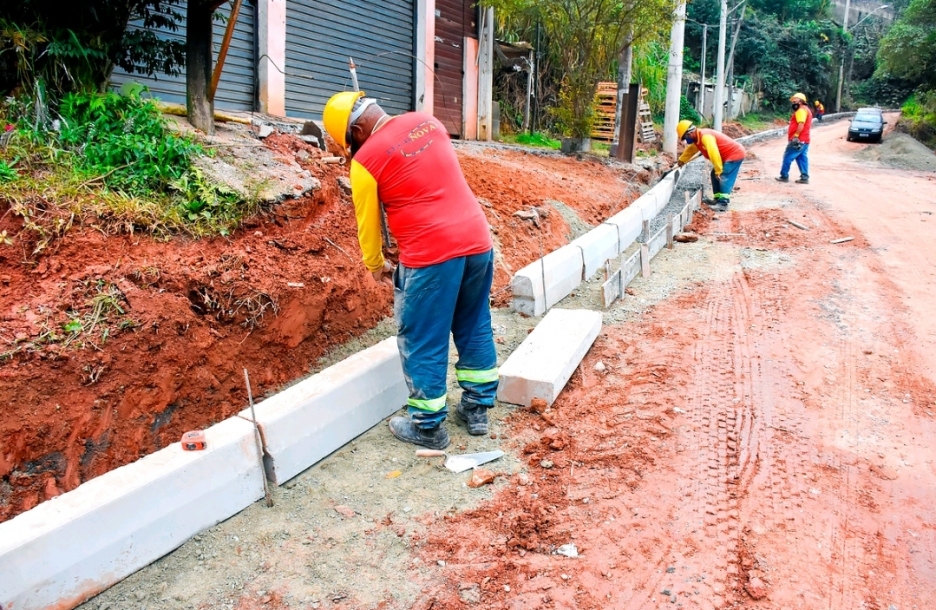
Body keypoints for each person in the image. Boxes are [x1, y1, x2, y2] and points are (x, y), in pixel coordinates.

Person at [321, 91, 498, 451]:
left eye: (349, 142)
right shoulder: (427, 122)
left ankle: (429, 427)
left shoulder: (365, 161)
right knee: (474, 322)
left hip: (431, 254)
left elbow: (367, 224)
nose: (351, 150)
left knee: (423, 337)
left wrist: (375, 265)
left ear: (357, 129)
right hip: (478, 241)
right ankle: (477, 411)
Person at [675, 119, 746, 212]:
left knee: (723, 175)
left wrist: (718, 170)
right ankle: (717, 199)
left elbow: (714, 153)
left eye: (685, 137)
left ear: (690, 133)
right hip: (727, 156)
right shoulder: (697, 139)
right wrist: (682, 160)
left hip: (734, 154)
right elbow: (691, 150)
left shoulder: (705, 137)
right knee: (714, 175)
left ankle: (723, 203)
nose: (686, 140)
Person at [777, 92, 812, 184]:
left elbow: (801, 124)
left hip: (798, 140)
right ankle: (804, 177)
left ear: (801, 101)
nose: (793, 103)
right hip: (805, 139)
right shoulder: (806, 110)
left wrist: (796, 136)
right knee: (802, 158)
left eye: (794, 101)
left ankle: (784, 176)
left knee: (787, 157)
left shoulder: (801, 111)